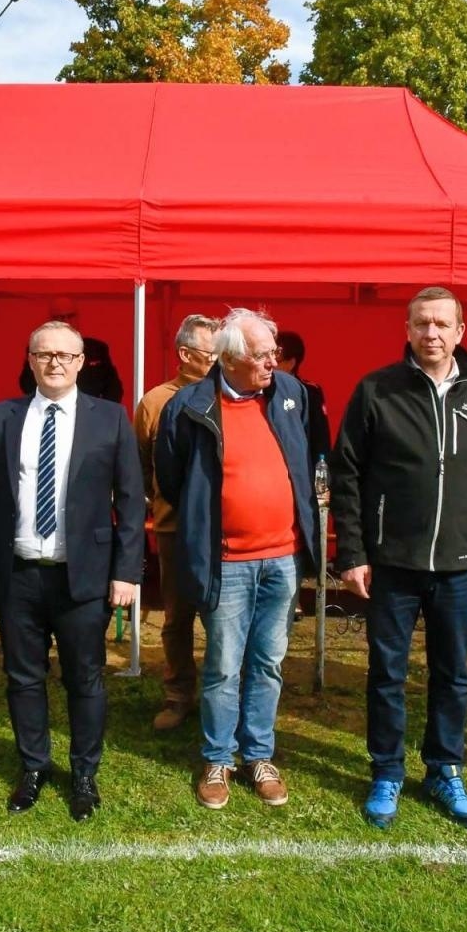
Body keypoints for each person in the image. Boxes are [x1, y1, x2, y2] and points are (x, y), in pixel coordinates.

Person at [329, 285, 467, 830]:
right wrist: (354, 553)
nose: (430, 333)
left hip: (460, 566)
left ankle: (444, 767)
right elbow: (347, 475)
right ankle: (387, 769)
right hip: (392, 564)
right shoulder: (378, 391)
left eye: (441, 324)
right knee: (387, 673)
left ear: (461, 331)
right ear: (407, 330)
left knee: (452, 674)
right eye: (420, 324)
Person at [0, 320, 144, 821]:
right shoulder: (1, 417)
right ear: (30, 359)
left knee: (85, 678)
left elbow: (131, 502)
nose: (55, 363)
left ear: (83, 362)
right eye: (45, 354)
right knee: (23, 678)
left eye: (65, 355)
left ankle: (84, 772)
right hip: (18, 573)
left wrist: (127, 572)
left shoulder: (110, 419)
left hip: (82, 575)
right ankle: (33, 766)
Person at [155, 309, 318, 810]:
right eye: (262, 354)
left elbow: (303, 457)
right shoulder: (188, 406)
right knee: (224, 665)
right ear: (229, 357)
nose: (274, 361)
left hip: (282, 558)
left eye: (273, 351)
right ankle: (218, 757)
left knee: (268, 661)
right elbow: (171, 474)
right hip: (226, 562)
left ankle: (259, 754)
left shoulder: (291, 393)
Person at [133, 313, 219, 732]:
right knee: (177, 616)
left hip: (225, 530)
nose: (220, 360)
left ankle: (224, 696)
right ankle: (179, 694)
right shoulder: (155, 402)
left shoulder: (231, 395)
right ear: (185, 354)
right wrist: (161, 502)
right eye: (212, 353)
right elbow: (140, 465)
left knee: (224, 616)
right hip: (174, 528)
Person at [16, 296, 124, 402]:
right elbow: (27, 385)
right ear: (51, 320)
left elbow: (114, 388)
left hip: (90, 411)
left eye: (70, 316)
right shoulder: (39, 349)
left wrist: (100, 412)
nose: (66, 321)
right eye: (60, 317)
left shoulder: (97, 349)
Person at [276, 329, 330, 465]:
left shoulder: (309, 392)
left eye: (276, 360)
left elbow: (320, 440)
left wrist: (320, 480)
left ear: (291, 363)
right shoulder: (256, 390)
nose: (269, 364)